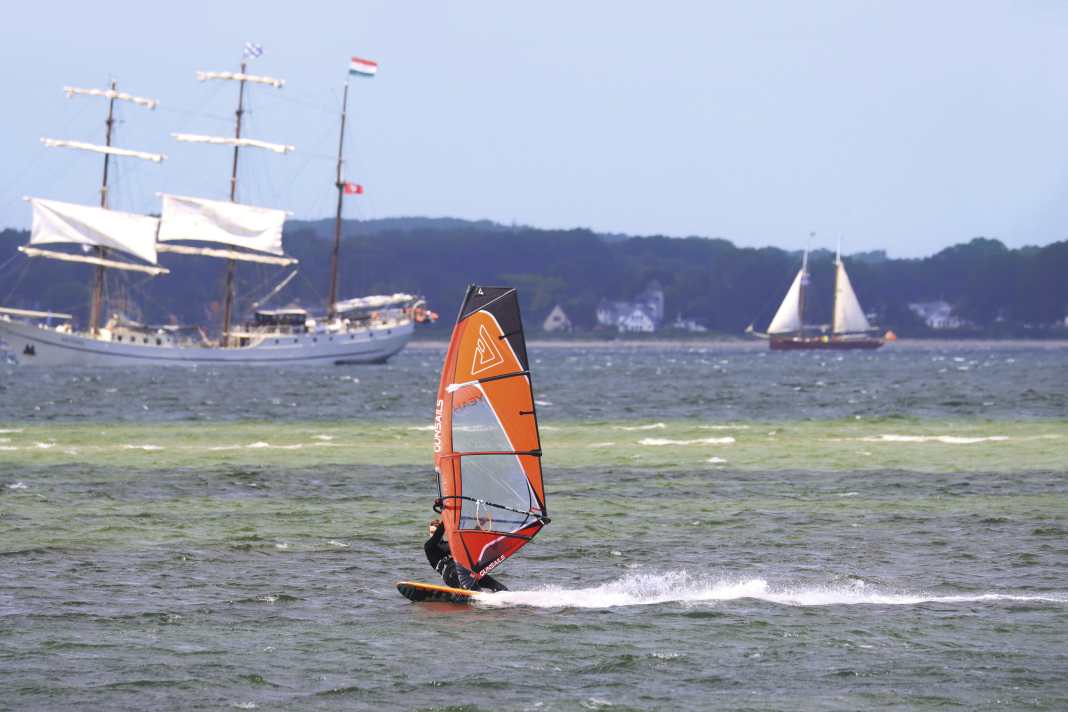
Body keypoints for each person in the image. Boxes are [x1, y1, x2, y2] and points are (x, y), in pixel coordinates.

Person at [424, 518, 507, 592]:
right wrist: (446, 517)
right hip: (450, 575)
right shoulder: (429, 546)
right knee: (476, 590)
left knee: (496, 585)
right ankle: (479, 597)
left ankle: (506, 595)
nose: (433, 534)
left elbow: (467, 539)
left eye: (434, 532)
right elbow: (437, 535)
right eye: (431, 532)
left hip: (466, 570)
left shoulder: (449, 544)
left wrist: (479, 525)